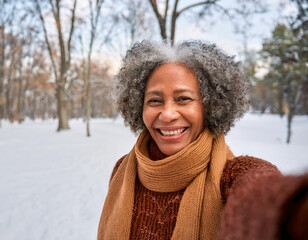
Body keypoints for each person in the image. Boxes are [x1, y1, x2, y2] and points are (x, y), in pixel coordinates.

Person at [97, 40, 308, 240]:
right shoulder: (122, 171)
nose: (167, 114)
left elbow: (269, 203)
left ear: (210, 106)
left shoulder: (233, 176)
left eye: (184, 99)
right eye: (154, 101)